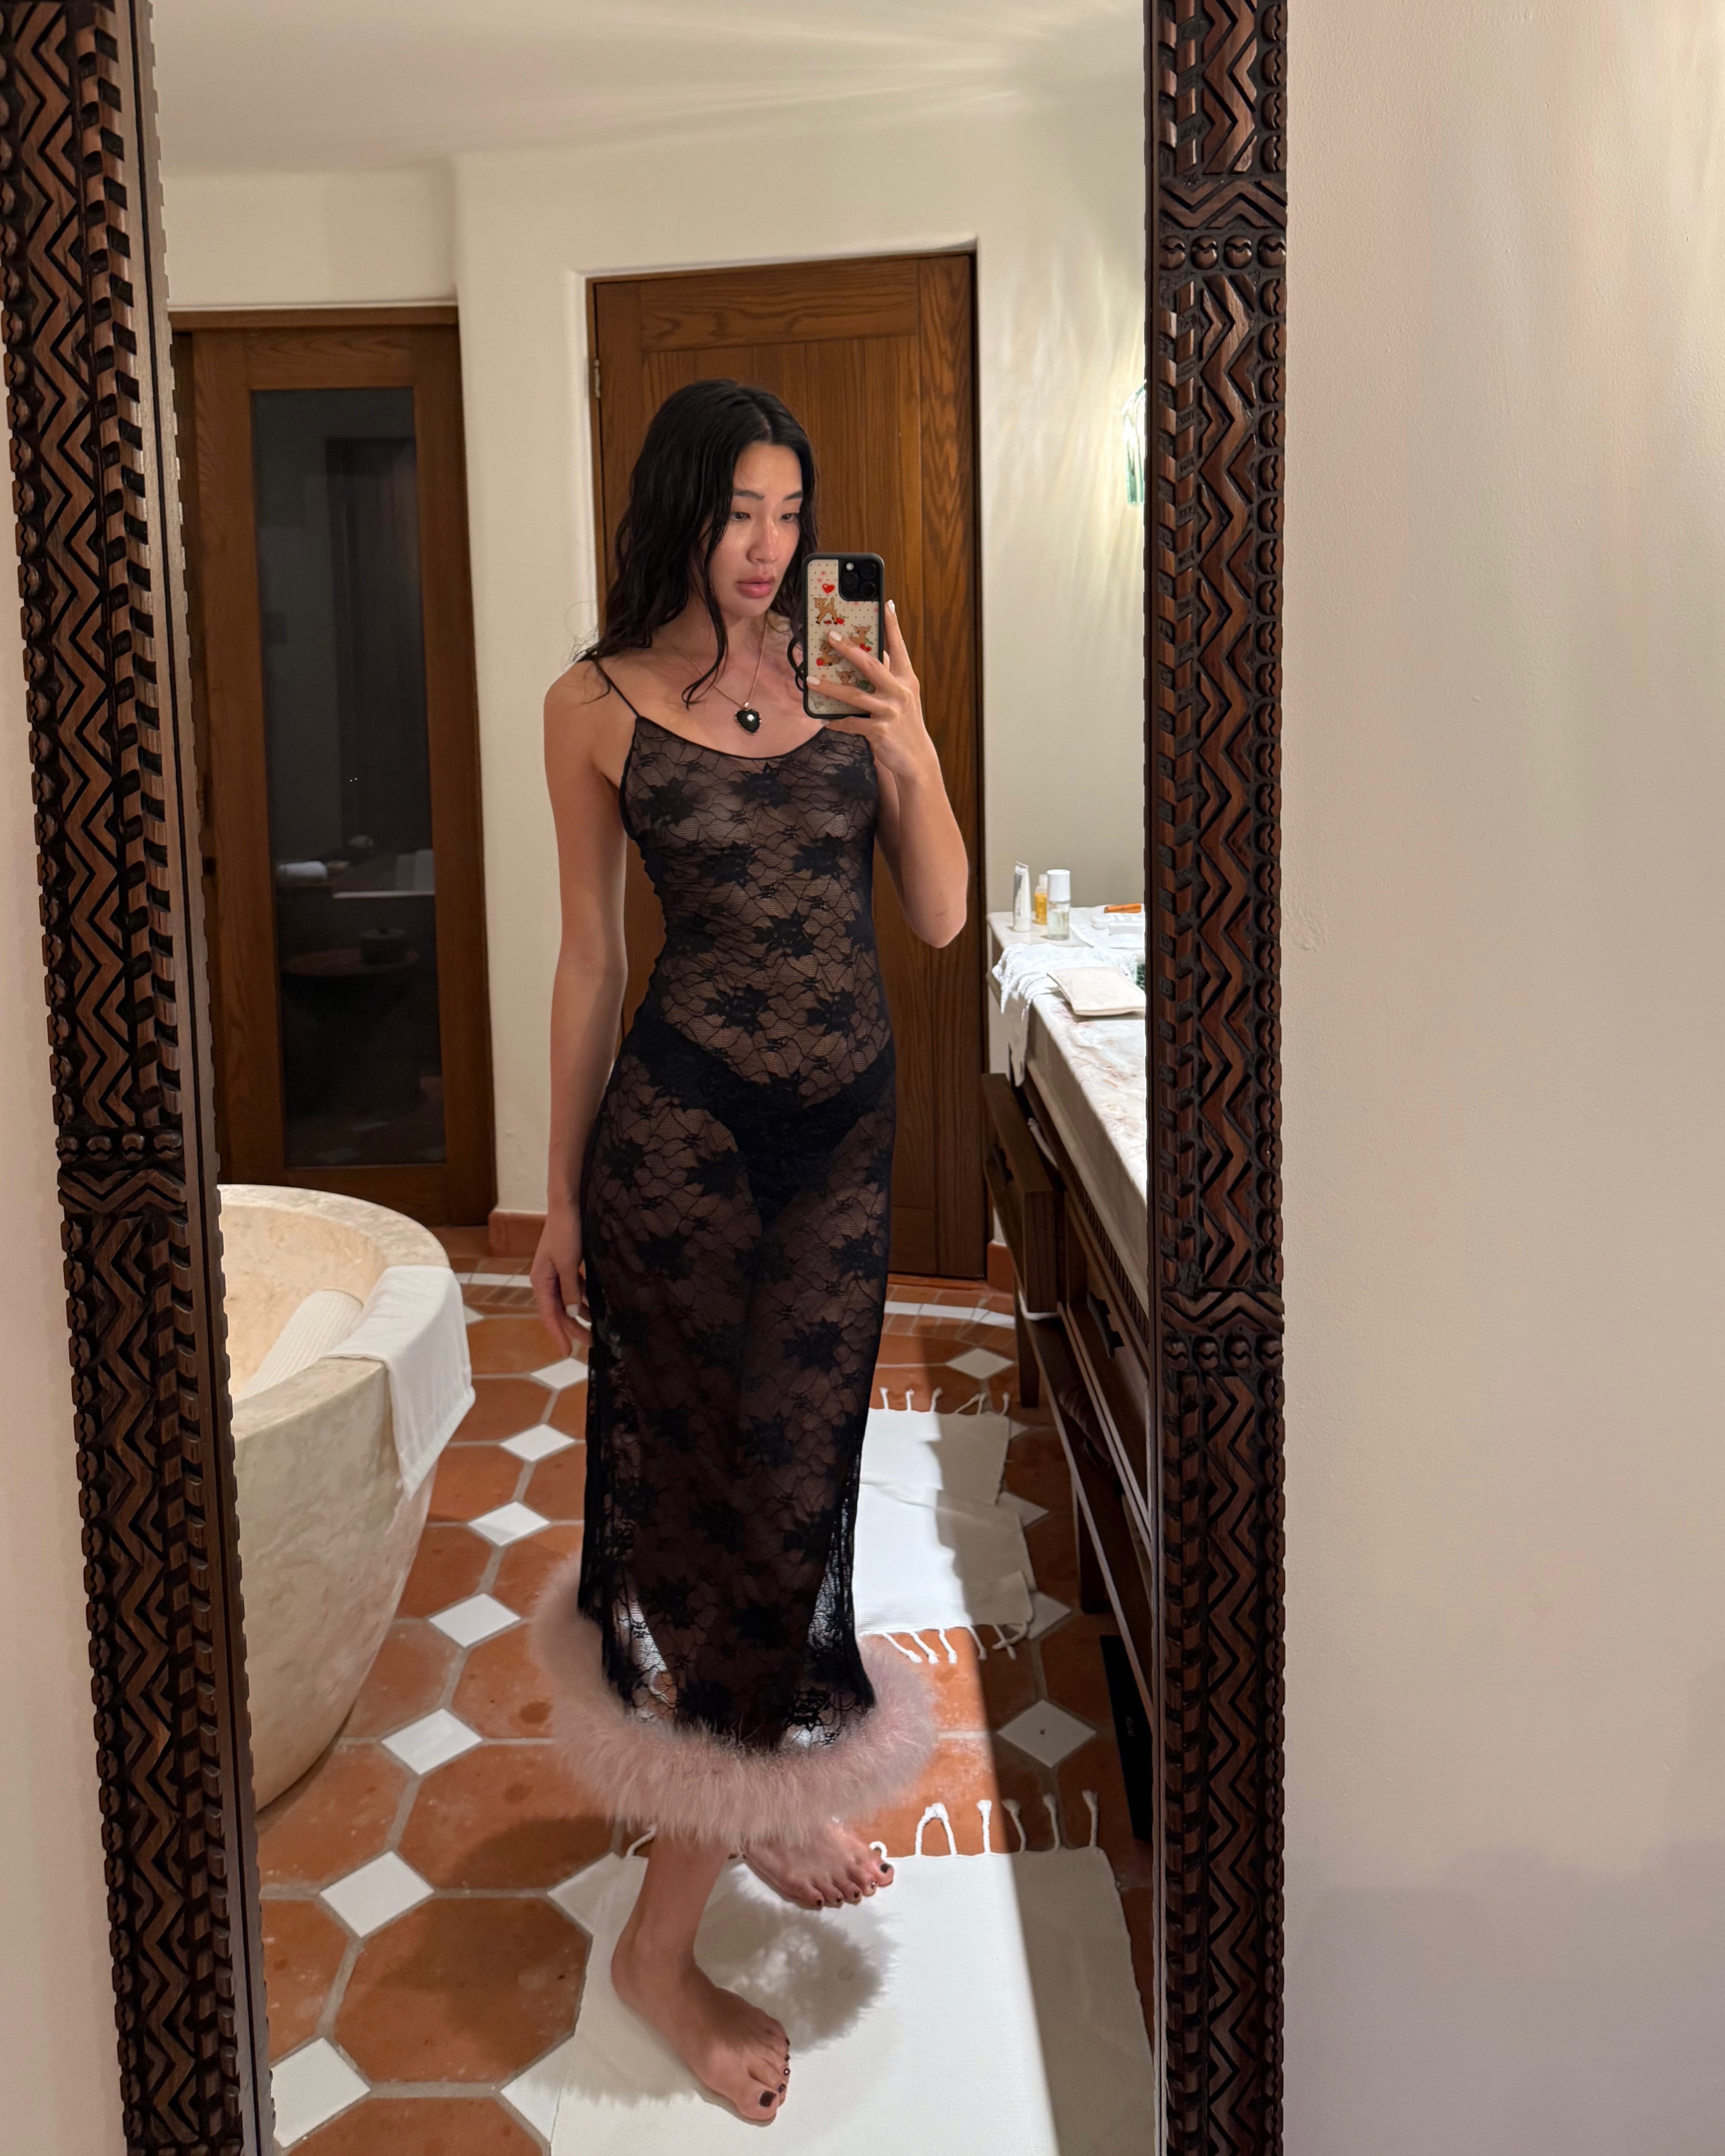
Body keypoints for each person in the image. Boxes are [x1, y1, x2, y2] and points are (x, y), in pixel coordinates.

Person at [528, 378, 968, 2123]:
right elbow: (587, 958)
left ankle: (761, 1799)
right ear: (677, 512)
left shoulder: (854, 675)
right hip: (683, 1151)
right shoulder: (591, 706)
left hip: (843, 1150)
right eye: (736, 513)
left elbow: (938, 913)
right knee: (724, 1516)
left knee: (801, 1495)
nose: (768, 547)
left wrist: (912, 740)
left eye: (789, 513)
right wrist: (560, 1200)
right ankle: (658, 1951)